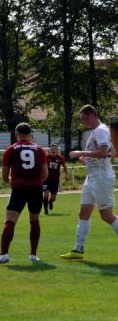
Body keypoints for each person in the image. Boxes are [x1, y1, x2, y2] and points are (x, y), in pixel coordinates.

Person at [60, 105, 118, 260]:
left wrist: (81, 152)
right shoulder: (99, 130)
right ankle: (78, 250)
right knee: (83, 213)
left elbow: (104, 152)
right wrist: (88, 158)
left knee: (106, 215)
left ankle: (78, 249)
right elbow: (113, 153)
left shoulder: (100, 130)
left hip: (101, 178)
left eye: (84, 119)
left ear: (92, 115)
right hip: (91, 178)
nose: (83, 122)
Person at [0, 122, 48, 265]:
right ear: (30, 135)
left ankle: (4, 255)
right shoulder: (40, 150)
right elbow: (45, 174)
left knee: (10, 220)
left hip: (19, 189)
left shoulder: (11, 149)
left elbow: (4, 176)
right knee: (34, 220)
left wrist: (13, 182)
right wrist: (34, 182)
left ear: (16, 134)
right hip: (36, 189)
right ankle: (33, 255)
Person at [43, 143, 69, 214]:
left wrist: (67, 175)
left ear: (57, 150)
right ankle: (46, 210)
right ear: (50, 150)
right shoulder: (46, 157)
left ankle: (50, 201)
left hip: (55, 180)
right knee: (45, 195)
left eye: (55, 149)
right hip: (46, 179)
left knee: (53, 198)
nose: (53, 150)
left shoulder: (60, 158)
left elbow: (65, 166)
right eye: (52, 149)